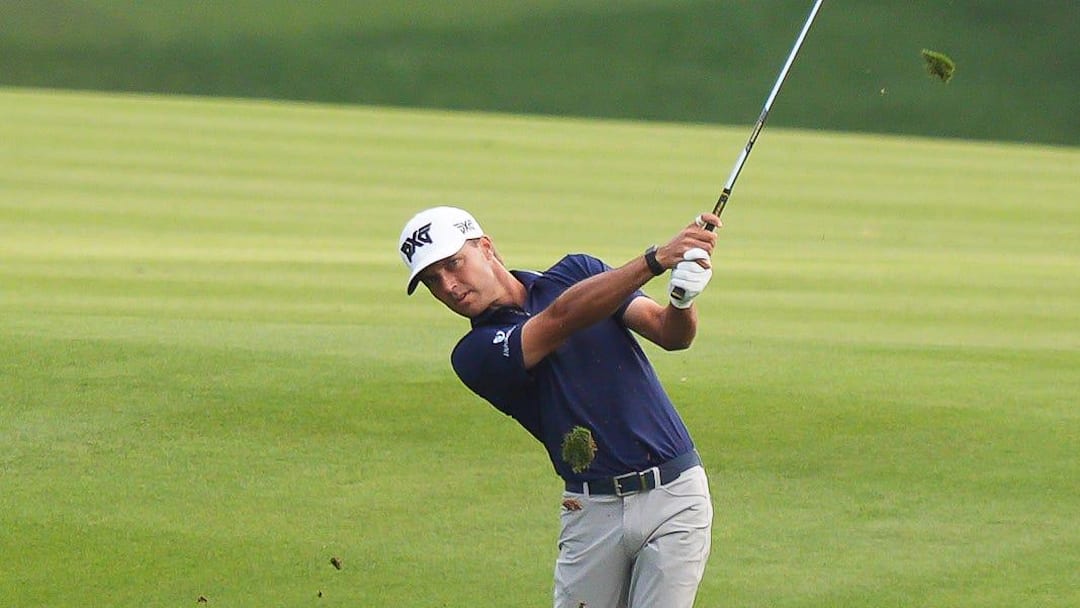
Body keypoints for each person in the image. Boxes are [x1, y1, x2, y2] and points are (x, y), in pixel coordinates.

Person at [398, 205, 719, 608]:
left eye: (453, 264)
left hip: (676, 494)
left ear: (486, 247)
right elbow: (560, 319)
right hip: (592, 510)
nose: (447, 285)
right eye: (432, 280)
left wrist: (682, 298)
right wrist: (654, 260)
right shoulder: (474, 354)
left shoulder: (579, 272)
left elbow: (670, 334)